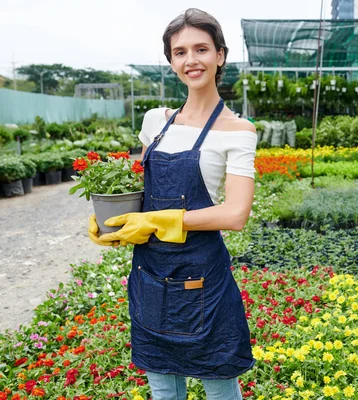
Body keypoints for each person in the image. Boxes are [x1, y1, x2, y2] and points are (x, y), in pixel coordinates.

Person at [87, 8, 257, 400]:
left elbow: (235, 214)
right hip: (150, 272)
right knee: (162, 387)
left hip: (202, 277)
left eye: (201, 48)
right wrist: (108, 219)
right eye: (179, 52)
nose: (191, 60)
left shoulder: (237, 130)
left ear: (220, 55)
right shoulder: (155, 122)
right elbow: (140, 191)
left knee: (218, 384)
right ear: (171, 62)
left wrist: (158, 221)